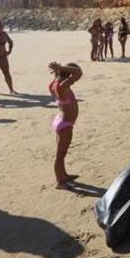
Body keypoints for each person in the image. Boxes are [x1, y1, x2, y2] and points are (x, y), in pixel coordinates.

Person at [48, 61, 82, 189]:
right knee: (60, 155)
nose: (75, 80)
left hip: (61, 120)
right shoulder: (62, 86)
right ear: (69, 76)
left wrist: (59, 71)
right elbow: (78, 73)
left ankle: (64, 175)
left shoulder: (54, 83)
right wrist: (60, 68)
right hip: (65, 124)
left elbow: (75, 74)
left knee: (62, 153)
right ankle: (59, 182)